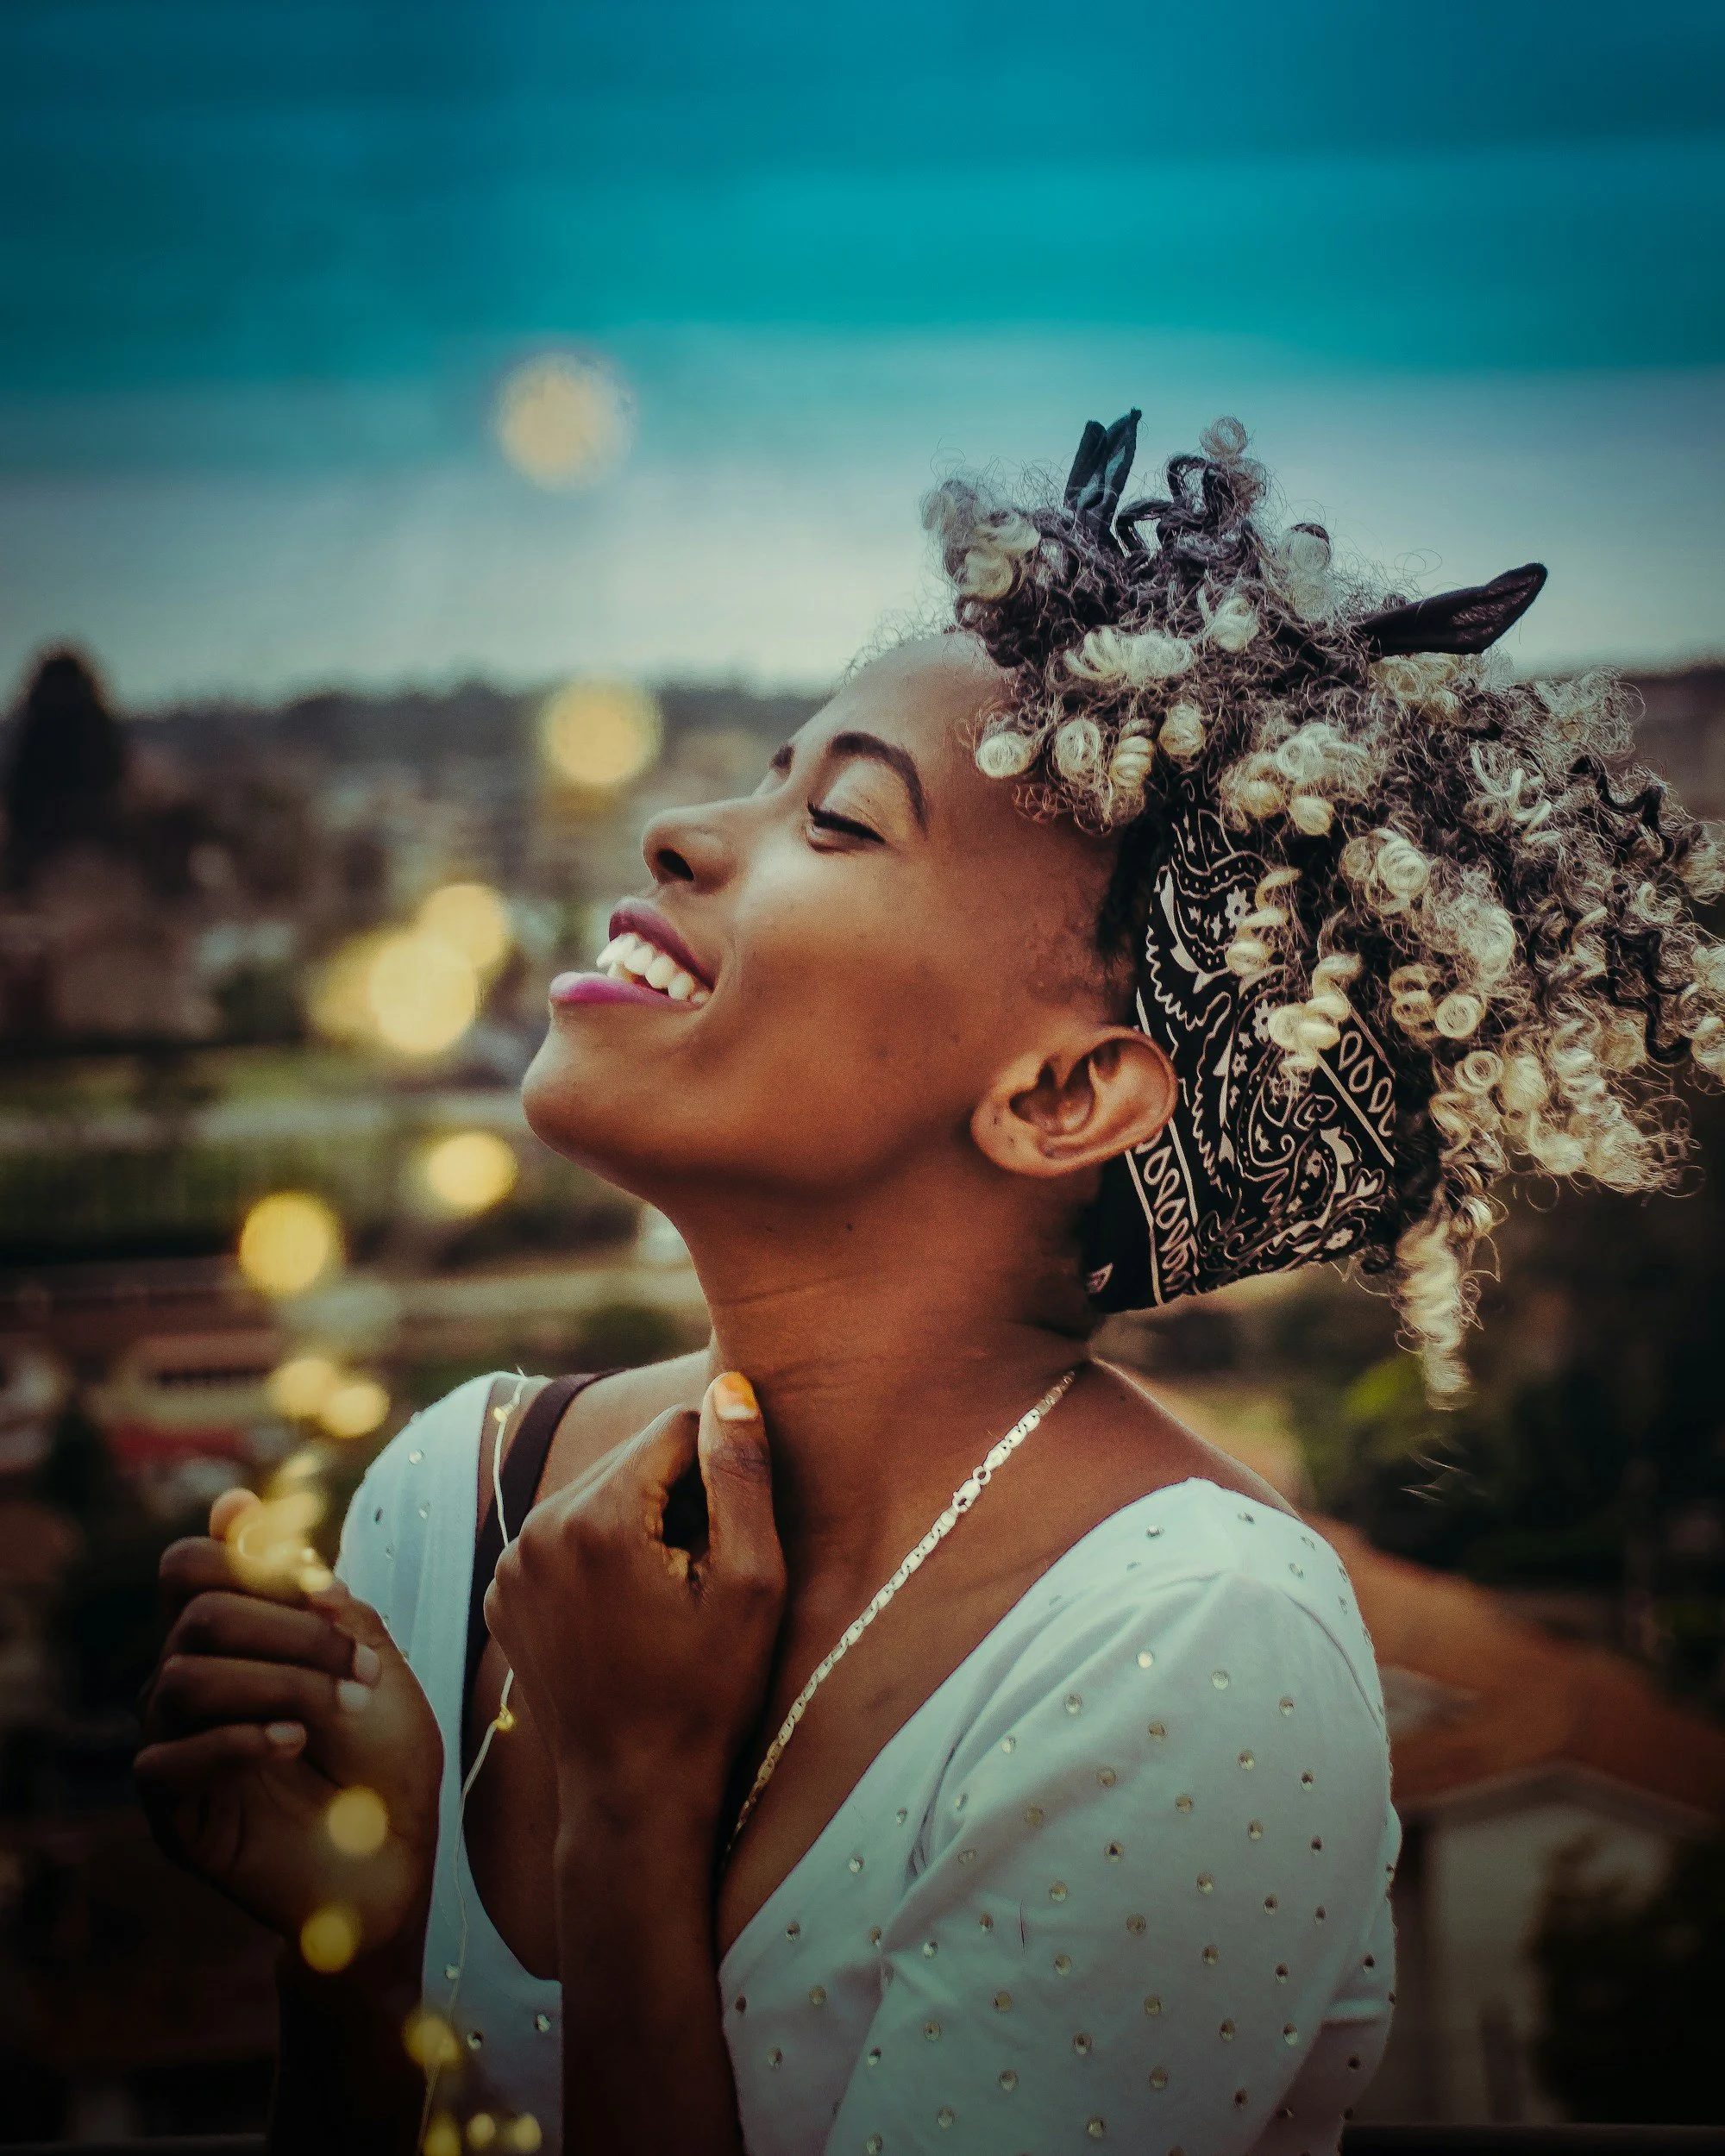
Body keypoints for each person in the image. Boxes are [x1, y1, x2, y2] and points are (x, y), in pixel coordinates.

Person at [135, 414, 1724, 2156]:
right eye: (766, 773)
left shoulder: (1190, 1658)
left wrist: (634, 1811)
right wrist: (340, 1964)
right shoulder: (457, 1503)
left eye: (836, 819)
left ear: (1061, 1094)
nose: (678, 831)